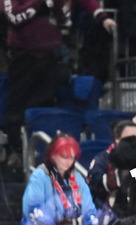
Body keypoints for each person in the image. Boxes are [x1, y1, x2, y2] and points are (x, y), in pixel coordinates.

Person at [2, 1, 116, 165]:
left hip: (50, 58)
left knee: (45, 108)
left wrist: (101, 16)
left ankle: (42, 153)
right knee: (16, 110)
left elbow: (67, 18)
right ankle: (16, 152)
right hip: (21, 59)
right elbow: (14, 16)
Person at [19, 135, 101, 225]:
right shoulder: (40, 175)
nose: (68, 162)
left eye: (71, 158)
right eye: (64, 157)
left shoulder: (77, 178)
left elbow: (89, 207)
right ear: (53, 156)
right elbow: (32, 209)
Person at [87, 120, 136, 225]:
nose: (135, 143)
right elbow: (95, 185)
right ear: (117, 139)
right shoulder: (103, 160)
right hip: (109, 222)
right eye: (130, 139)